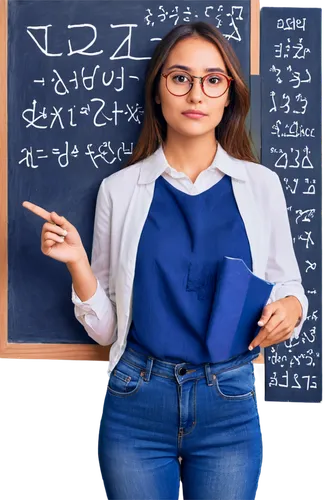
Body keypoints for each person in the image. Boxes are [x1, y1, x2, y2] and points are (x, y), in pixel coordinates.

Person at [23, 21, 308, 500]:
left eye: (212, 80)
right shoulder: (120, 190)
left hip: (230, 398)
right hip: (137, 398)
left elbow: (289, 288)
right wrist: (77, 264)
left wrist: (292, 310)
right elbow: (110, 330)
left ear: (228, 96)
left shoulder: (261, 187)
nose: (196, 93)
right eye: (180, 78)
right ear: (158, 92)